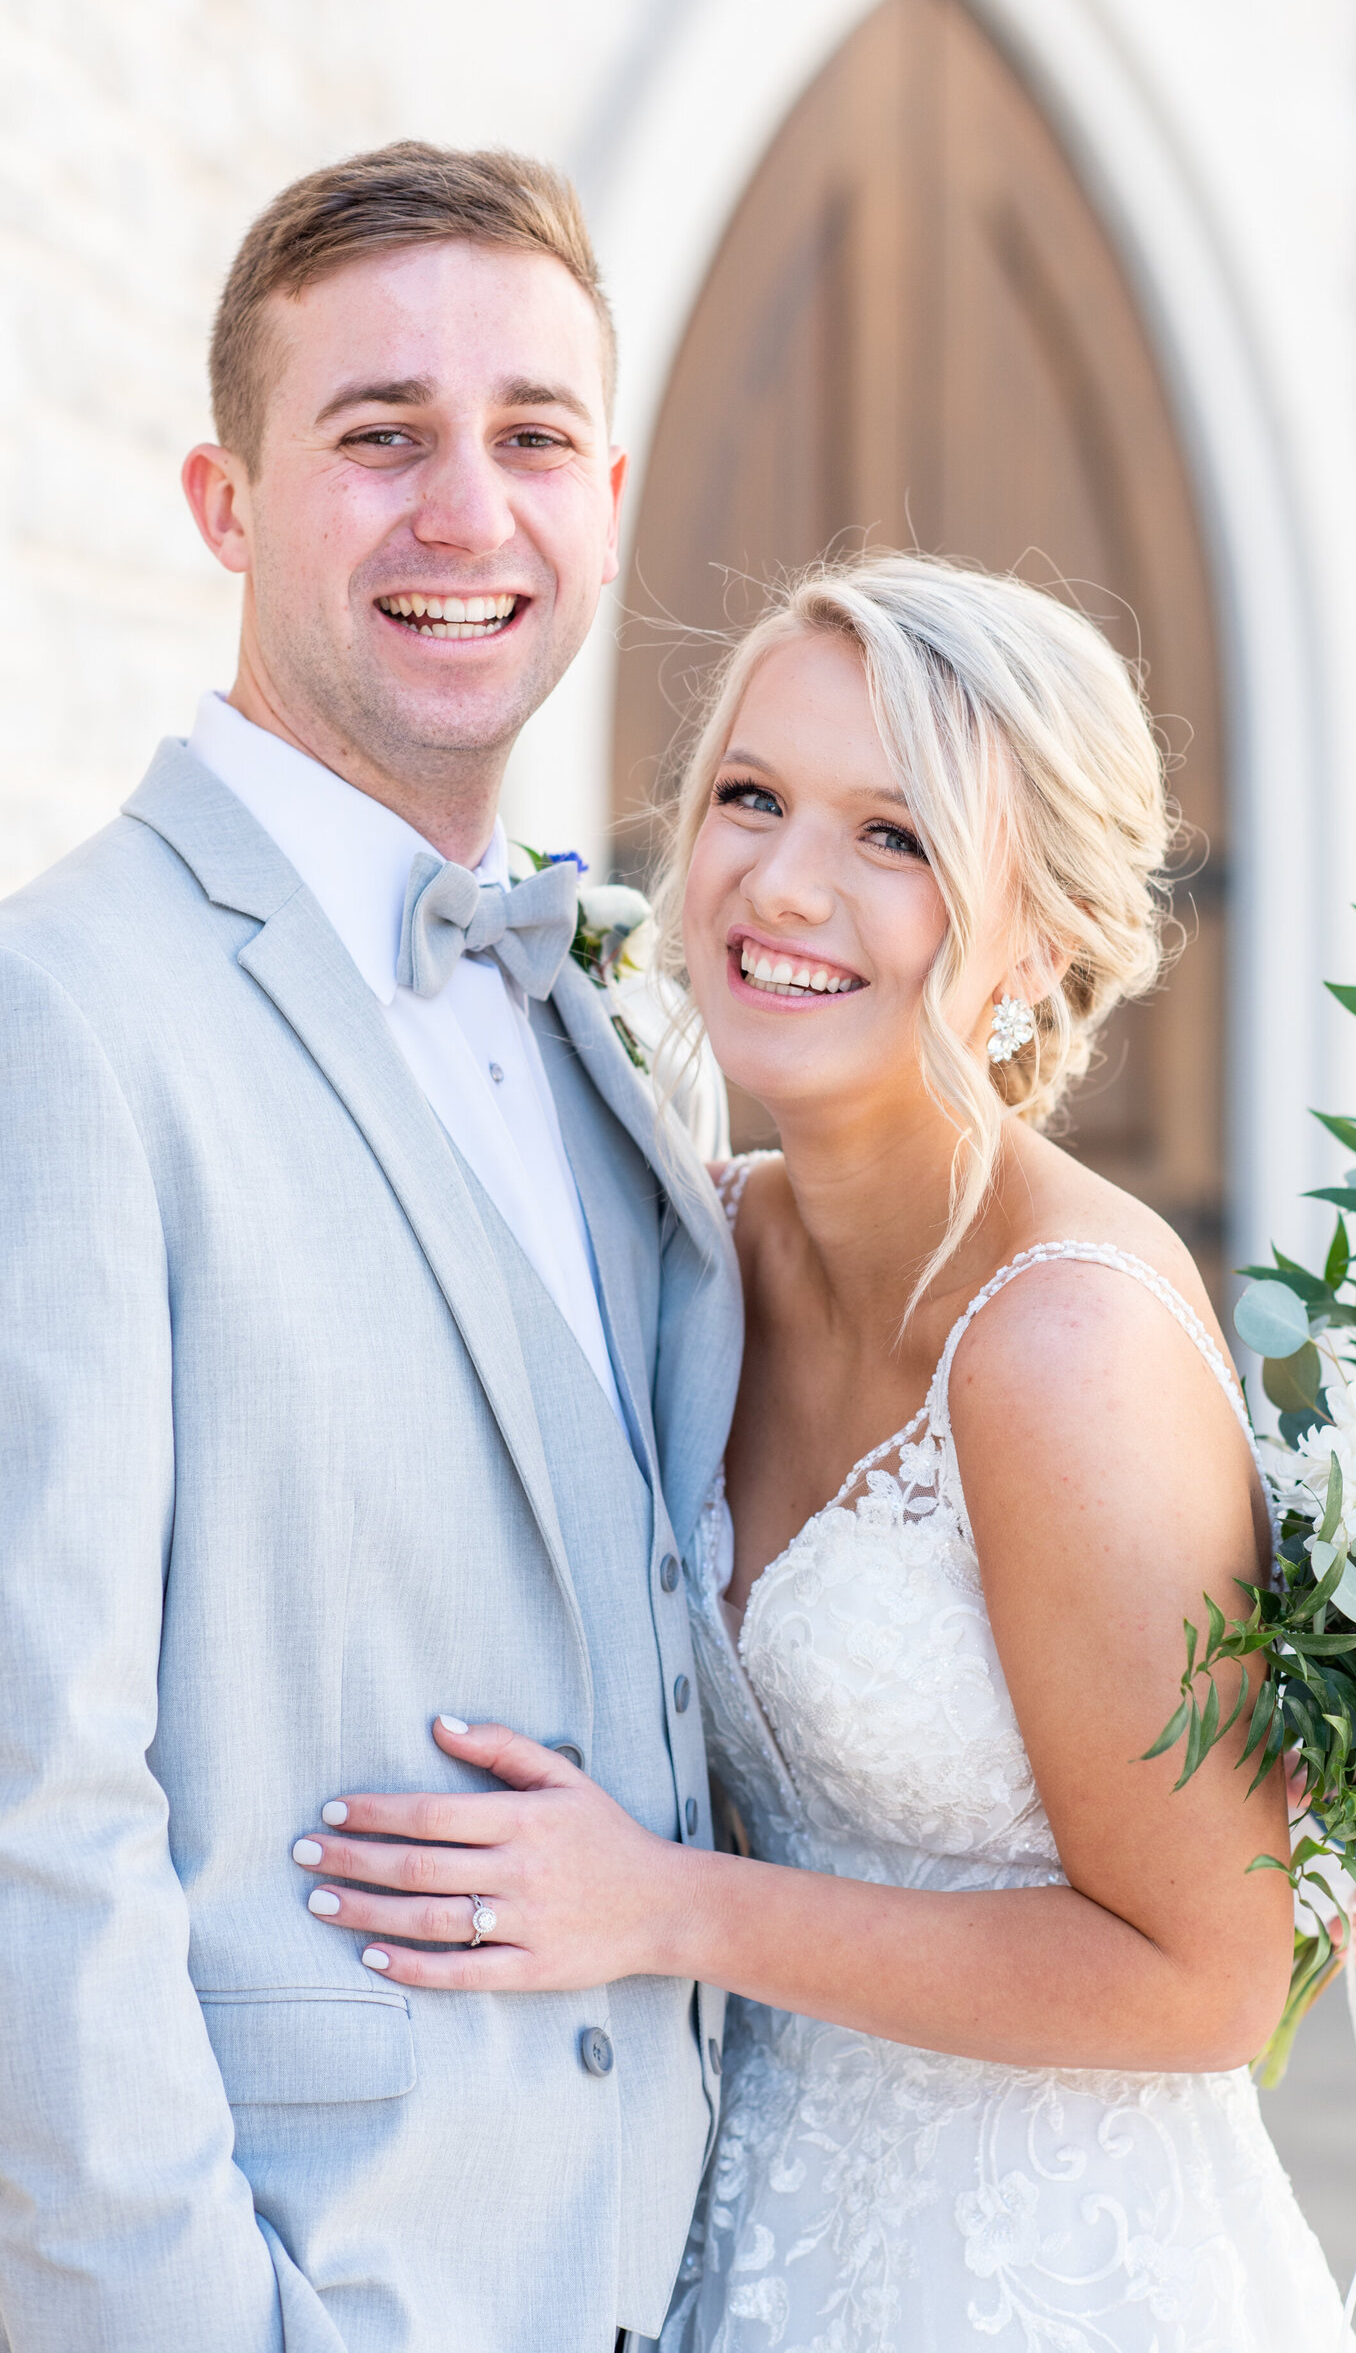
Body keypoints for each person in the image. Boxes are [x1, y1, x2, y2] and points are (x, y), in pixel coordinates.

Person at [301, 554, 1355, 2348]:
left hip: (1057, 2275)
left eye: (898, 837)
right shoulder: (689, 1245)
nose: (782, 882)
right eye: (752, 796)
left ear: (1045, 943)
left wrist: (663, 1907)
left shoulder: (1062, 1341)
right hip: (752, 2240)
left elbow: (1207, 1970)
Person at [0, 143, 740, 2352]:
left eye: (526, 439)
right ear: (226, 500)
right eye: (379, 437)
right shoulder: (68, 1017)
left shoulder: (623, 1020)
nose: (464, 511)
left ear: (603, 489)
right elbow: (32, 1794)